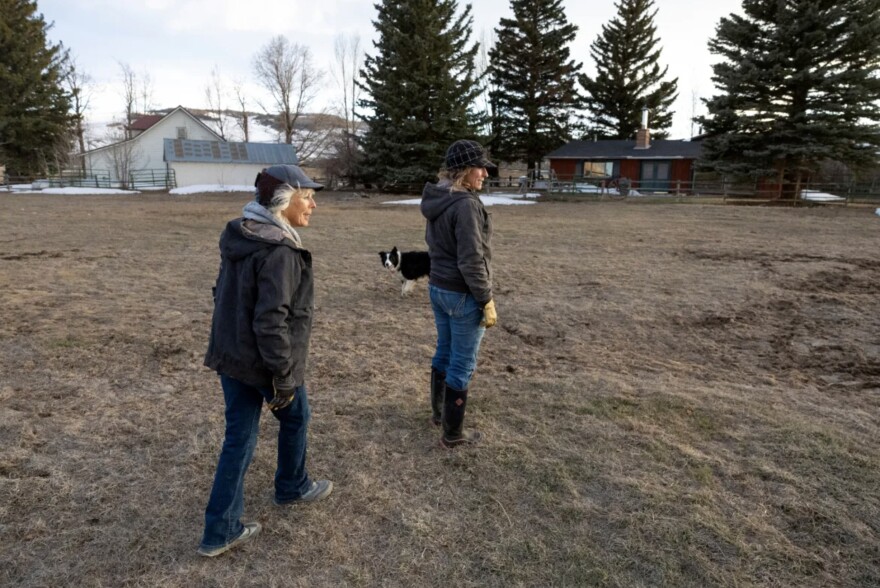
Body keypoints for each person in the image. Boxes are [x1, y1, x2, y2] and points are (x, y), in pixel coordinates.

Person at [198, 164, 333, 557]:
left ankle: (219, 531)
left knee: (239, 437)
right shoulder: (280, 252)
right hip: (262, 364)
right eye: (306, 196)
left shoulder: (242, 233)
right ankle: (292, 487)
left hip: (231, 357)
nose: (313, 204)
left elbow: (222, 294)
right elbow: (271, 322)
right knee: (296, 417)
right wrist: (283, 377)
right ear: (282, 200)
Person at [420, 139, 498, 449]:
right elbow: (471, 259)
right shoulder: (465, 205)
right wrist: (486, 298)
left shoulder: (437, 197)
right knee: (461, 363)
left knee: (445, 350)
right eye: (480, 167)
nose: (485, 174)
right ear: (465, 170)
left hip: (438, 288)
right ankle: (452, 434)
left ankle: (439, 415)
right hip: (462, 294)